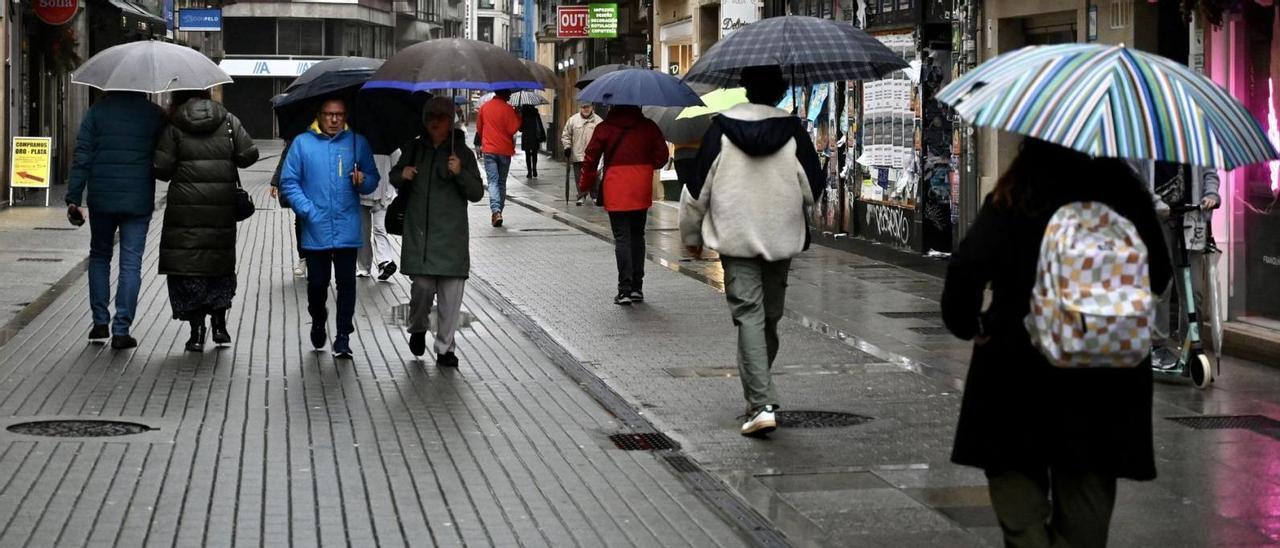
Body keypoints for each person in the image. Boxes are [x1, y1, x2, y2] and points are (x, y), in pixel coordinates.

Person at [940, 139, 1172, 547]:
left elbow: (968, 267)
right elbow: (1159, 274)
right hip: (1106, 370)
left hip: (1019, 363)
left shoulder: (1018, 190)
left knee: (1016, 484)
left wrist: (969, 323)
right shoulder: (1125, 191)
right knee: (1088, 496)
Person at [678, 65, 823, 437]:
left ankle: (759, 402)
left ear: (744, 88)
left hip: (736, 236)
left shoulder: (720, 129)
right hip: (781, 237)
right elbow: (813, 189)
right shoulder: (794, 131)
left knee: (749, 315)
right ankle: (759, 398)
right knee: (768, 316)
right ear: (779, 91)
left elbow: (697, 189)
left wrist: (691, 236)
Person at [153, 90, 259, 352]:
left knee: (189, 268)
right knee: (218, 264)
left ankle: (196, 332)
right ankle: (220, 325)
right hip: (220, 206)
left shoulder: (175, 124)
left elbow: (162, 169)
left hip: (185, 210)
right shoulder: (228, 120)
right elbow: (249, 155)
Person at [65, 91, 167, 350]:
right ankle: (121, 330)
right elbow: (165, 156)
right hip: (138, 199)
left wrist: (73, 198)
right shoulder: (153, 114)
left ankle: (100, 322)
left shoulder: (97, 112)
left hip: (102, 198)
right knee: (131, 262)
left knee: (99, 256)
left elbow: (82, 156)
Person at [279, 98, 380, 359]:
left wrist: (363, 180)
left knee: (347, 284)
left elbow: (372, 179)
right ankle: (318, 318)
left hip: (347, 227)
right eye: (329, 115)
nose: (334, 120)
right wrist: (308, 211)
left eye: (339, 115)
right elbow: (289, 182)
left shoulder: (357, 142)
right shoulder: (302, 143)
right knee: (317, 284)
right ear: (319, 115)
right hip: (315, 228)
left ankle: (343, 336)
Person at [390, 97, 485, 365]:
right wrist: (403, 174)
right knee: (421, 289)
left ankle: (445, 349)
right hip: (420, 233)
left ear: (450, 120)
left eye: (441, 116)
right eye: (431, 116)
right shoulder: (414, 148)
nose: (435, 121)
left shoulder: (462, 153)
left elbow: (477, 192)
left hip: (452, 237)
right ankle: (418, 328)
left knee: (450, 299)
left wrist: (459, 173)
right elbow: (395, 176)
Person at [580, 104, 669, 306]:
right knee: (638, 235)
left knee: (622, 237)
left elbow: (590, 158)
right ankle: (637, 287)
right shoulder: (648, 126)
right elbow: (662, 156)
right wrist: (647, 165)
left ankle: (624, 289)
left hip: (616, 187)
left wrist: (584, 185)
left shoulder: (605, 127)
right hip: (640, 186)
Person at [476, 89, 521, 227]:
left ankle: (496, 212)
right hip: (504, 150)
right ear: (505, 94)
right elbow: (512, 129)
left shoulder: (484, 107)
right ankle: (498, 211)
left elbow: (479, 128)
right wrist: (518, 117)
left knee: (493, 182)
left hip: (489, 149)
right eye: (508, 93)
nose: (510, 96)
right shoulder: (508, 109)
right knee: (501, 182)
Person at [357, 152, 400, 281]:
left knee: (380, 228)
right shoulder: (358, 146)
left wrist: (391, 191)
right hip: (360, 193)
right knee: (362, 231)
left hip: (383, 193)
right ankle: (364, 266)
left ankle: (384, 262)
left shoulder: (391, 148)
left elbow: (396, 170)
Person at [271, 139, 308, 278]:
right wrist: (275, 181)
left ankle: (316, 260)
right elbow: (285, 157)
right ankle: (303, 258)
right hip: (301, 184)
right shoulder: (296, 136)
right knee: (300, 221)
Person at [561, 101, 603, 206]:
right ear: (580, 108)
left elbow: (603, 138)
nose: (585, 109)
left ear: (592, 107)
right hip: (578, 153)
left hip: (593, 154)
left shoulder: (598, 121)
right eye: (583, 107)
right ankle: (581, 195)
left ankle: (595, 195)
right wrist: (567, 147)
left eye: (587, 107)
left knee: (594, 176)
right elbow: (566, 135)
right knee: (579, 176)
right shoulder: (573, 120)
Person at [519, 104, 546, 178]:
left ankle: (529, 172)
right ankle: (534, 168)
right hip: (535, 136)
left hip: (526, 137)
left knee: (527, 155)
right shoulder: (535, 114)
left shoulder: (523, 114)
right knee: (534, 154)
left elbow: (520, 129)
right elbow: (540, 125)